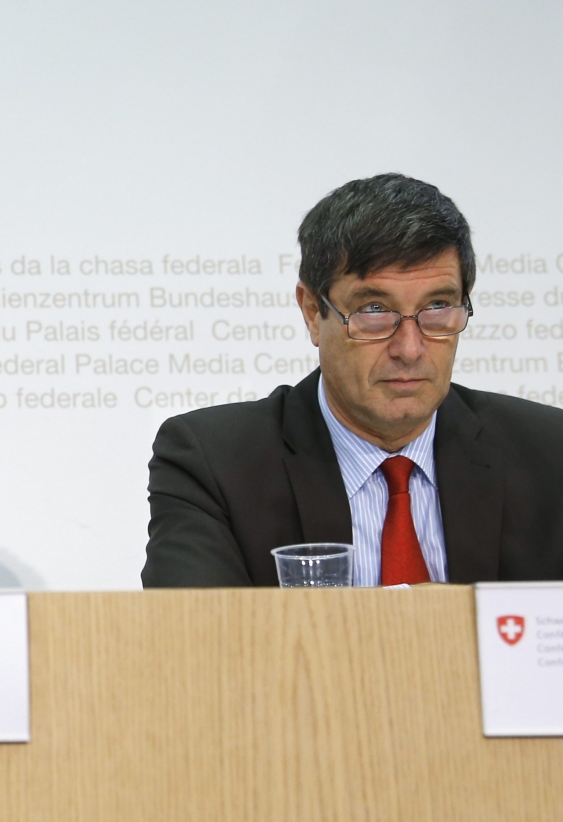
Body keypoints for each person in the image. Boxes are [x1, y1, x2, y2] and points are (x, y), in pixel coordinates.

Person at [143, 173, 563, 587]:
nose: (410, 349)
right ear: (312, 311)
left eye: (438, 306)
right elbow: (195, 643)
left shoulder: (549, 453)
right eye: (375, 310)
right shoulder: (215, 463)